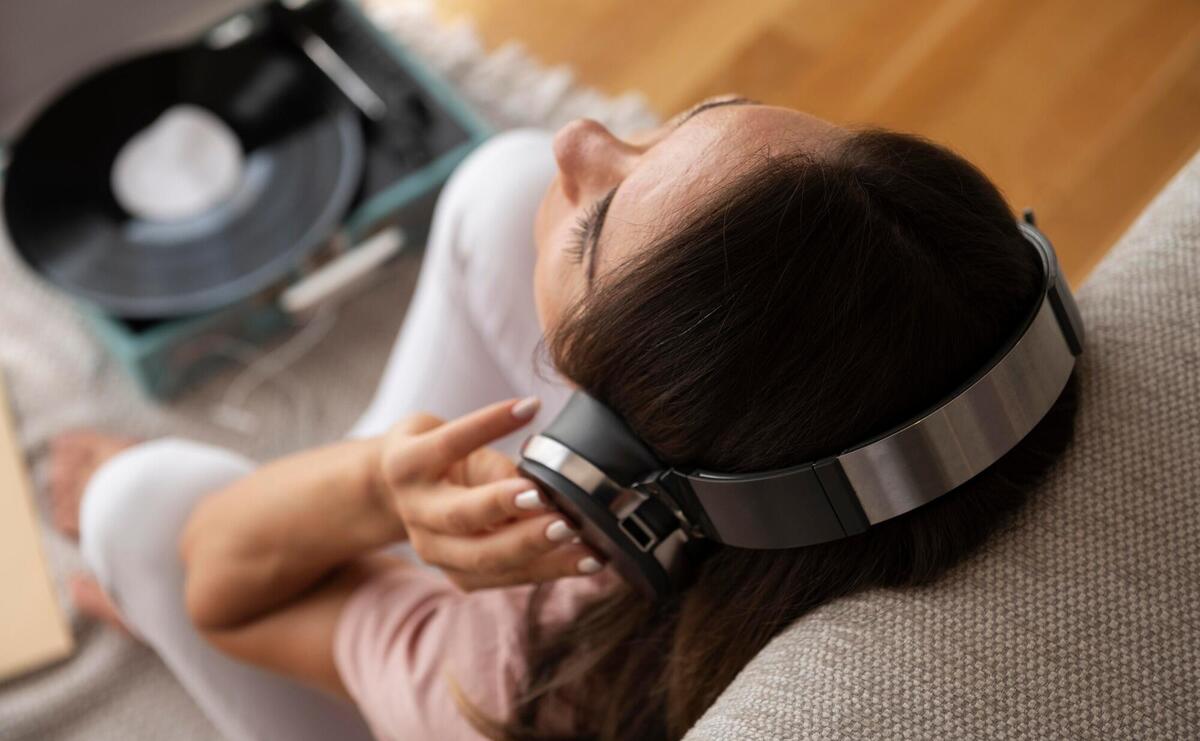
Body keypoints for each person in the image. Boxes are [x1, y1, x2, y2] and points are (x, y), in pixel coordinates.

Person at [49, 96, 1080, 741]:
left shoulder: (529, 673)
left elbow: (218, 581)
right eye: (693, 114)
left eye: (595, 225)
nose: (578, 136)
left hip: (395, 668)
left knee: (142, 508)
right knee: (504, 191)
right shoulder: (940, 370)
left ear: (605, 463)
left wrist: (375, 490)